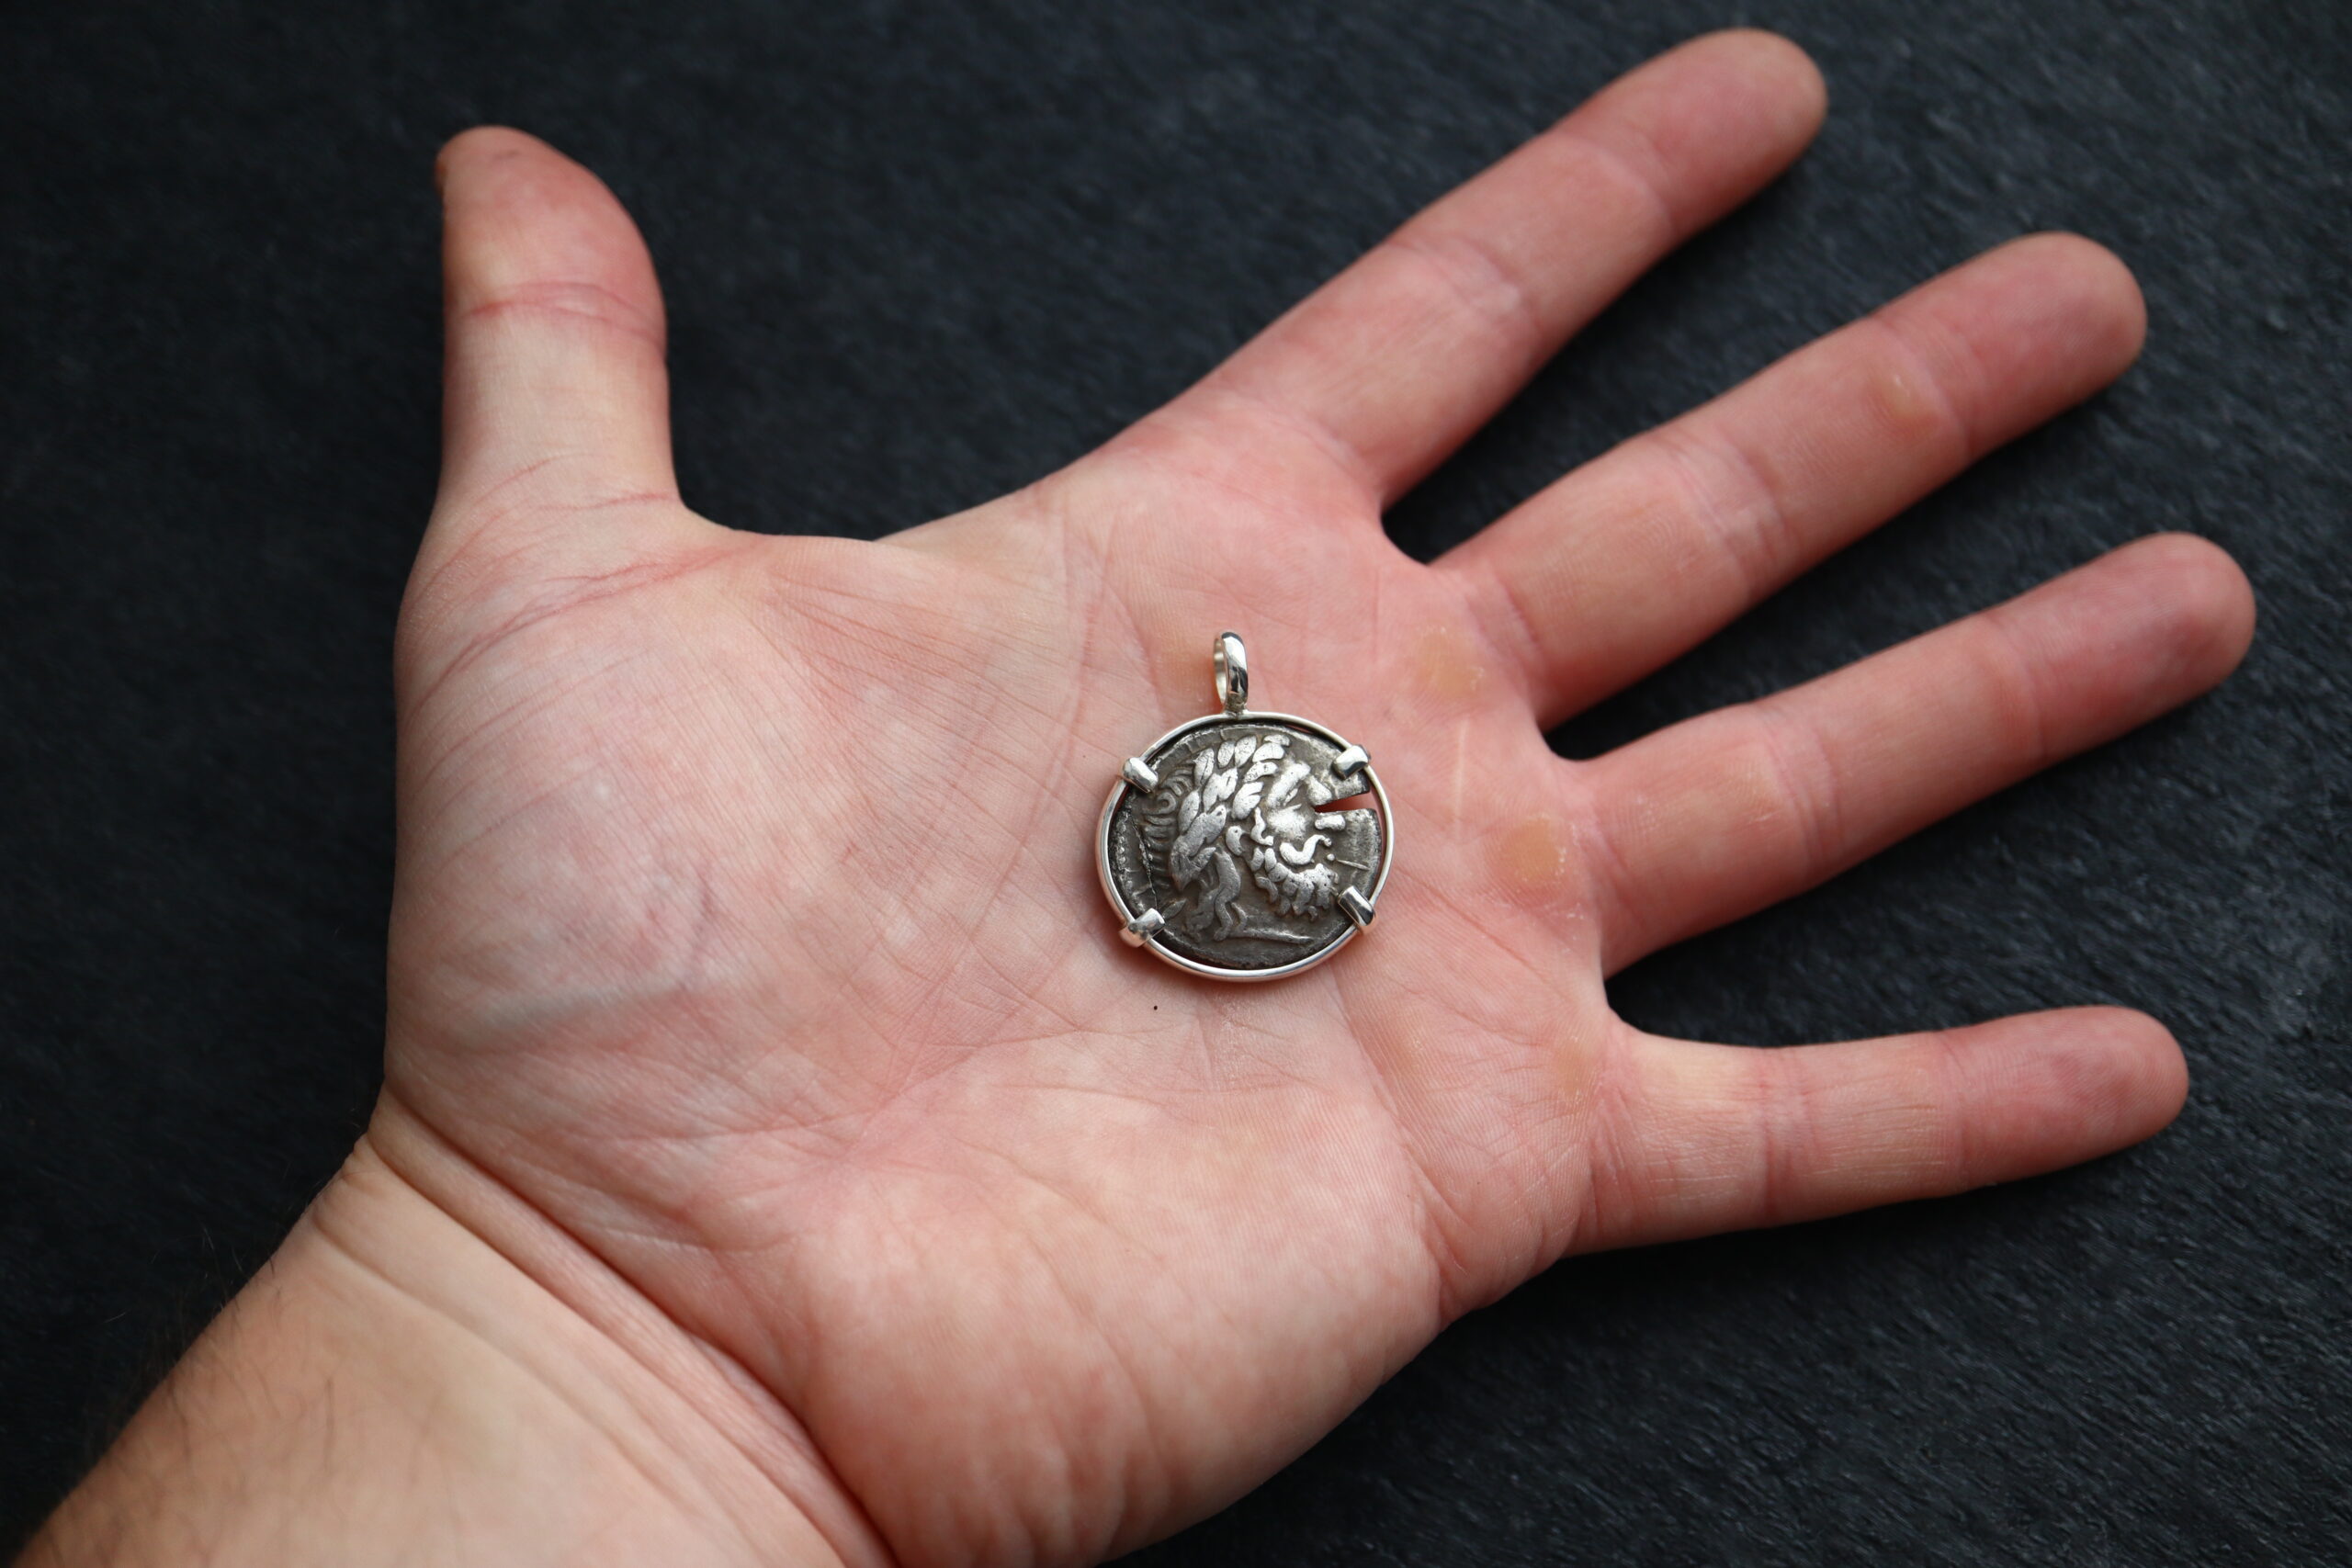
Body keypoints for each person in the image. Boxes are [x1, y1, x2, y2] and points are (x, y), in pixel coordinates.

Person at [20, 28, 2253, 1568]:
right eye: (1272, 829)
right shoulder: (1198, 824)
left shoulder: (1256, 807)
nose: (1285, 838)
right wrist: (595, 1305)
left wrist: (598, 1347)